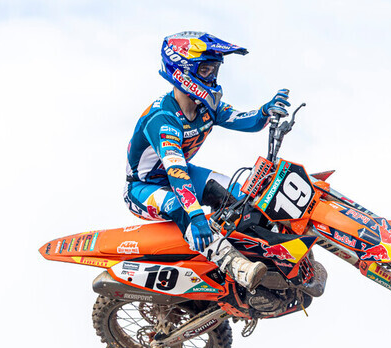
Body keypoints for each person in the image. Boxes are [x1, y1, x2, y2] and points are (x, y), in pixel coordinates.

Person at [124, 31, 290, 290]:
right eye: (205, 70)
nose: (212, 77)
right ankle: (236, 266)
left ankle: (266, 254)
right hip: (144, 187)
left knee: (242, 194)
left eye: (215, 70)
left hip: (182, 172)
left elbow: (246, 121)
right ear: (182, 72)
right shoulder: (163, 118)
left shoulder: (206, 107)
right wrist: (196, 214)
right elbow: (176, 172)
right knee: (182, 208)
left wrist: (265, 111)